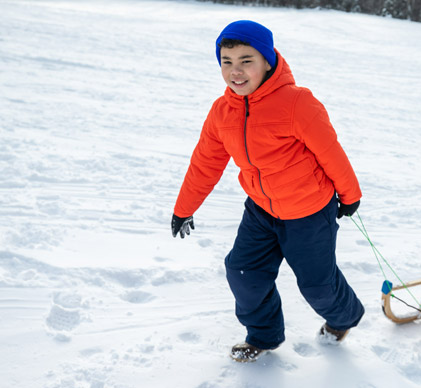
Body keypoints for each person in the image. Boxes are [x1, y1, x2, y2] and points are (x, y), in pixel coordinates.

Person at [170, 20, 364, 363]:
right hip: (261, 210)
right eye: (226, 62)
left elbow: (330, 152)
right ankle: (263, 335)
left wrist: (350, 196)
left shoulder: (297, 102)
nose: (235, 71)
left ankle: (344, 318)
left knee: (317, 286)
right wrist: (184, 207)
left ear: (268, 62)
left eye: (247, 60)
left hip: (308, 212)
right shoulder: (221, 111)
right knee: (242, 272)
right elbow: (205, 163)